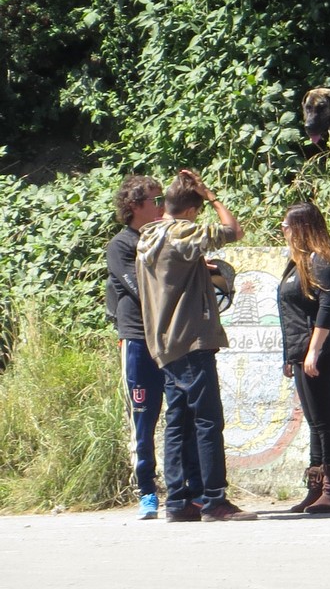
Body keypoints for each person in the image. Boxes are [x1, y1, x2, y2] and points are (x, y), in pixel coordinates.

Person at [135, 169, 253, 522]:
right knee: (207, 420)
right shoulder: (183, 233)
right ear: (191, 210)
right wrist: (211, 195)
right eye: (198, 209)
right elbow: (233, 230)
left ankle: (178, 501)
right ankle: (214, 499)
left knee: (178, 422)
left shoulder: (148, 236)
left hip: (164, 343)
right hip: (191, 339)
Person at [278, 203, 330, 514]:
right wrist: (290, 356)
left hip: (321, 350)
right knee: (314, 422)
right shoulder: (298, 262)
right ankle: (316, 487)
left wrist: (314, 350)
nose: (283, 230)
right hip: (302, 351)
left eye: (287, 225)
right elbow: (293, 314)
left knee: (324, 420)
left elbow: (327, 307)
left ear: (302, 227)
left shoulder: (321, 260)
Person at [107, 175, 167, 520]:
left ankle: (188, 488)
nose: (162, 206)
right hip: (138, 339)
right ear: (134, 206)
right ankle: (147, 491)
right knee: (143, 419)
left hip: (171, 338)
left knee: (183, 415)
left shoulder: (166, 236)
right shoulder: (121, 244)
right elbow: (140, 288)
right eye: (156, 201)